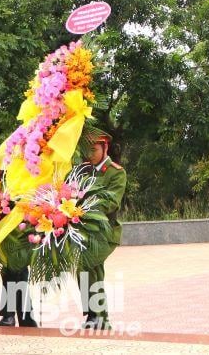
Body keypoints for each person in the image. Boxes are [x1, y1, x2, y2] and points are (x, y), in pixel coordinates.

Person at [78, 133, 127, 329]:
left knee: (87, 264)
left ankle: (94, 315)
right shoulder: (83, 171)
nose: (90, 154)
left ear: (105, 148)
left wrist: (83, 205)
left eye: (94, 149)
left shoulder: (116, 172)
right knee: (92, 269)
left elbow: (111, 201)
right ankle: (99, 317)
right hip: (85, 230)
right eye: (87, 150)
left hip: (106, 231)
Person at [0, 140, 37, 328]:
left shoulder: (17, 179)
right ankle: (11, 315)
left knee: (20, 272)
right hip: (2, 237)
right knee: (7, 274)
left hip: (21, 234)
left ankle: (23, 316)